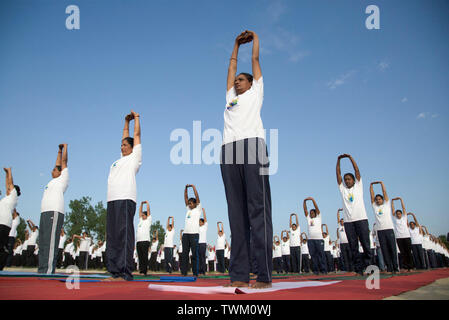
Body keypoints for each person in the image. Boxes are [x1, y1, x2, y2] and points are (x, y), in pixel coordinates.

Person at [220, 30, 272, 289]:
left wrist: (254, 39)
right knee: (236, 214)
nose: (238, 82)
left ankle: (263, 275)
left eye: (242, 80)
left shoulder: (256, 93)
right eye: (237, 80)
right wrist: (234, 46)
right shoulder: (231, 98)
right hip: (229, 151)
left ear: (251, 83)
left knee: (257, 210)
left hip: (253, 148)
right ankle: (239, 274)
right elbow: (230, 70)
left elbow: (255, 61)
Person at [105, 110, 142, 281]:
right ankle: (114, 271)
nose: (122, 147)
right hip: (112, 200)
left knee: (124, 235)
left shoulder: (135, 157)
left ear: (132, 147)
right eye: (121, 145)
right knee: (112, 236)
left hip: (126, 198)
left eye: (125, 145)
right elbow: (125, 135)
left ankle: (125, 272)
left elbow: (136, 135)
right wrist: (125, 123)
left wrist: (135, 119)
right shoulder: (119, 159)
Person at [336, 154, 372, 275]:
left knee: (366, 245)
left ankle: (369, 268)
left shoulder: (358, 186)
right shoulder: (343, 189)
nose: (346, 181)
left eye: (349, 179)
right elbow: (338, 175)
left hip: (361, 219)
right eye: (345, 179)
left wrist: (350, 158)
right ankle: (358, 269)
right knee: (353, 246)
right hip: (348, 221)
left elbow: (356, 170)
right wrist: (338, 160)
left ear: (353, 180)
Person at [37, 143, 69, 274]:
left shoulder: (63, 178)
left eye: (54, 170)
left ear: (60, 172)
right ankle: (42, 269)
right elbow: (58, 164)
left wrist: (64, 148)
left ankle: (48, 270)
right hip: (44, 212)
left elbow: (64, 163)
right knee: (43, 242)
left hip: (54, 211)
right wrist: (58, 151)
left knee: (50, 243)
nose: (52, 171)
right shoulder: (51, 182)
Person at [369, 181, 398, 274]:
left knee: (392, 249)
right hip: (380, 231)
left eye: (379, 199)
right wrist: (371, 186)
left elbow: (385, 193)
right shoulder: (375, 207)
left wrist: (381, 184)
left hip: (389, 229)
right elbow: (371, 195)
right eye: (376, 199)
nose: (378, 200)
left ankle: (396, 268)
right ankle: (389, 268)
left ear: (382, 200)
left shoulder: (386, 205)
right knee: (384, 251)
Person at [0, 168, 21, 270]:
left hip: (4, 223)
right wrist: (6, 175)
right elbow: (7, 184)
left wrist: (9, 172)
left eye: (9, 189)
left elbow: (10, 183)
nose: (7, 189)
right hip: (1, 222)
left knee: (1, 246)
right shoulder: (7, 197)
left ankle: (1, 265)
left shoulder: (13, 196)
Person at [181, 184, 201, 277]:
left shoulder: (198, 209)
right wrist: (185, 189)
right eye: (188, 203)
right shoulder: (188, 210)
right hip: (186, 234)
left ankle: (195, 273)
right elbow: (185, 197)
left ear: (195, 203)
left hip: (194, 234)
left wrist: (193, 187)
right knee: (184, 254)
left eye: (191, 203)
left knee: (194, 255)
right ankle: (184, 272)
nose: (189, 204)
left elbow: (197, 196)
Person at [303, 197, 327, 275]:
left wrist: (313, 200)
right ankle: (315, 271)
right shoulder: (308, 219)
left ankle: (323, 270)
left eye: (313, 213)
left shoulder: (319, 217)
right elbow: (305, 210)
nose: (311, 214)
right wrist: (304, 202)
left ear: (315, 213)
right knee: (313, 256)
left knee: (321, 255)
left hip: (319, 239)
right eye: (311, 213)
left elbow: (317, 208)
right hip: (310, 240)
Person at [391, 197, 414, 272]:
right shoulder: (395, 219)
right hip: (399, 237)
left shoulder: (404, 217)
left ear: (401, 214)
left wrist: (401, 200)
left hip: (406, 237)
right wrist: (392, 201)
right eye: (397, 214)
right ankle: (405, 267)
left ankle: (410, 267)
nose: (398, 215)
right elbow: (392, 210)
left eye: (399, 214)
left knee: (408, 252)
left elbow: (404, 208)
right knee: (403, 253)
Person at [136, 201, 151, 275]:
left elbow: (148, 211)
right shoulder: (140, 221)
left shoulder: (148, 220)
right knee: (140, 257)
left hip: (145, 241)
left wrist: (147, 203)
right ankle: (141, 270)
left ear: (146, 215)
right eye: (141, 215)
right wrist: (141, 204)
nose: (142, 216)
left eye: (143, 215)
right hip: (139, 241)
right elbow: (139, 212)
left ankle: (144, 271)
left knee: (145, 256)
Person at [198, 208, 208, 275]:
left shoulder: (205, 226)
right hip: (198, 243)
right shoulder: (197, 227)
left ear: (203, 222)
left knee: (202, 257)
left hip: (203, 243)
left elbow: (205, 219)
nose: (199, 223)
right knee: (198, 257)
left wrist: (203, 211)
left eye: (200, 222)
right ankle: (199, 270)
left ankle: (203, 270)